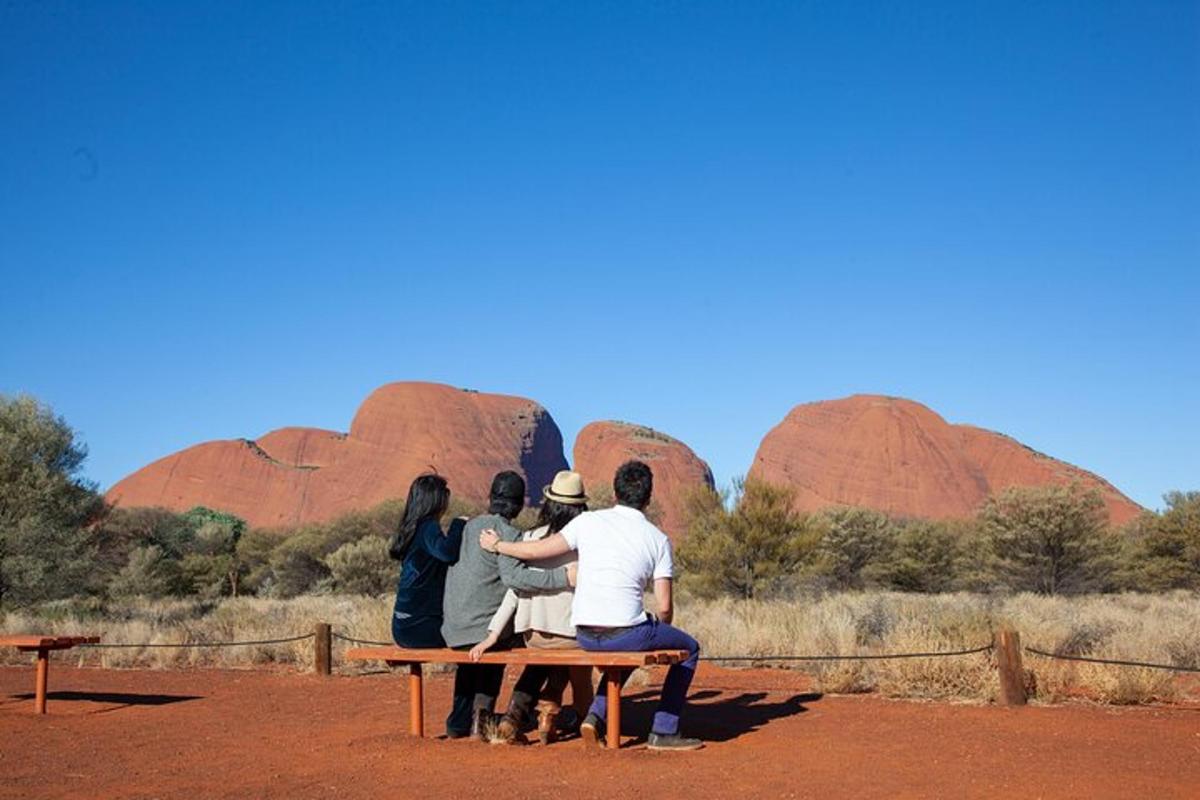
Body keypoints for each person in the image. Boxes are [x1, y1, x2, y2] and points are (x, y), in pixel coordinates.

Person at [481, 460, 703, 751]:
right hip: (622, 633)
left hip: (584, 632)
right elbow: (664, 606)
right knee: (690, 649)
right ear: (648, 499)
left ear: (615, 493)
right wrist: (658, 628)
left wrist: (499, 546)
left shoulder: (587, 522)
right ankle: (663, 730)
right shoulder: (658, 539)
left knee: (628, 641)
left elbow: (537, 550)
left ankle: (595, 717)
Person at [440, 471, 572, 740]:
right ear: (520, 503)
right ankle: (496, 718)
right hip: (480, 629)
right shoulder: (509, 534)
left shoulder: (468, 527)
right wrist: (563, 577)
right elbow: (516, 578)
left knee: (478, 652)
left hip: (453, 628)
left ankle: (463, 722)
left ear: (490, 497)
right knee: (540, 646)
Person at [470, 470, 594, 744]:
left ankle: (536, 716)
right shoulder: (585, 542)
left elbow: (515, 588)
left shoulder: (528, 538)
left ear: (549, 504)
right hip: (571, 635)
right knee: (581, 676)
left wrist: (493, 632)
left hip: (533, 636)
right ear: (581, 507)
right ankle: (589, 724)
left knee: (551, 661)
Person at [389, 473, 466, 648]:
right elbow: (447, 553)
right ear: (435, 502)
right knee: (473, 637)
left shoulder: (410, 528)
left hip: (402, 626)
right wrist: (458, 524)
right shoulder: (428, 527)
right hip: (421, 628)